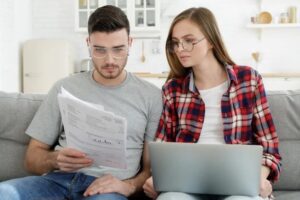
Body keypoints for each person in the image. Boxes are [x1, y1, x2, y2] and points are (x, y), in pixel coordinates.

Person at [0, 5, 162, 200]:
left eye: (118, 49)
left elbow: (149, 171)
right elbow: (31, 158)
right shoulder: (64, 87)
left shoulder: (151, 96)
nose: (110, 60)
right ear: (88, 44)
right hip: (56, 181)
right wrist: (54, 160)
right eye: (99, 50)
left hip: (106, 189)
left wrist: (127, 186)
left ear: (130, 43)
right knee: (5, 193)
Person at [143, 7, 281, 200]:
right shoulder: (172, 90)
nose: (180, 48)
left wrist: (259, 178)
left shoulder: (248, 80)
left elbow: (270, 148)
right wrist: (155, 177)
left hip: (238, 186)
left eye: (189, 41)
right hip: (184, 185)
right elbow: (162, 144)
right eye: (176, 43)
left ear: (210, 40)